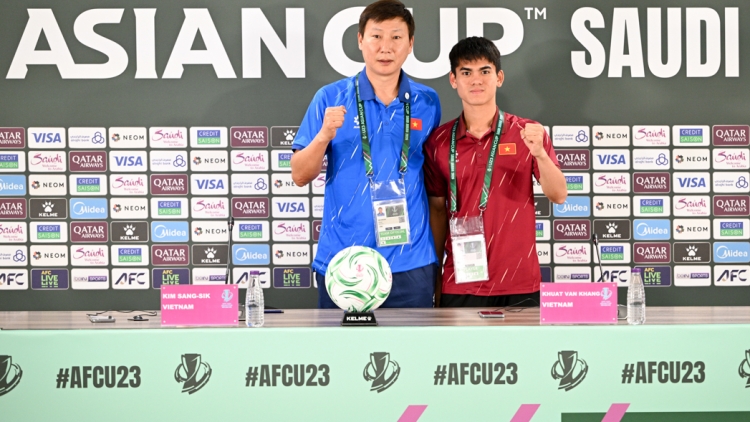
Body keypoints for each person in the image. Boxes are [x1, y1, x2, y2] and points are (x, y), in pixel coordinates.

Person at [291, 0, 441, 308]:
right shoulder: (330, 98)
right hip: (344, 260)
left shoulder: (428, 101)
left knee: (415, 342)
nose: (386, 47)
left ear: (410, 44)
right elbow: (299, 174)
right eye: (376, 36)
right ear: (360, 40)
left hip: (411, 261)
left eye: (396, 37)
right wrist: (323, 136)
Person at [424, 37, 567, 308]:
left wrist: (539, 154)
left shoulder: (527, 132)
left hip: (520, 281)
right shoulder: (438, 142)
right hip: (461, 281)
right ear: (453, 80)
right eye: (466, 72)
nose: (476, 80)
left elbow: (558, 195)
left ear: (499, 77)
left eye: (485, 71)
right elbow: (438, 212)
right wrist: (436, 279)